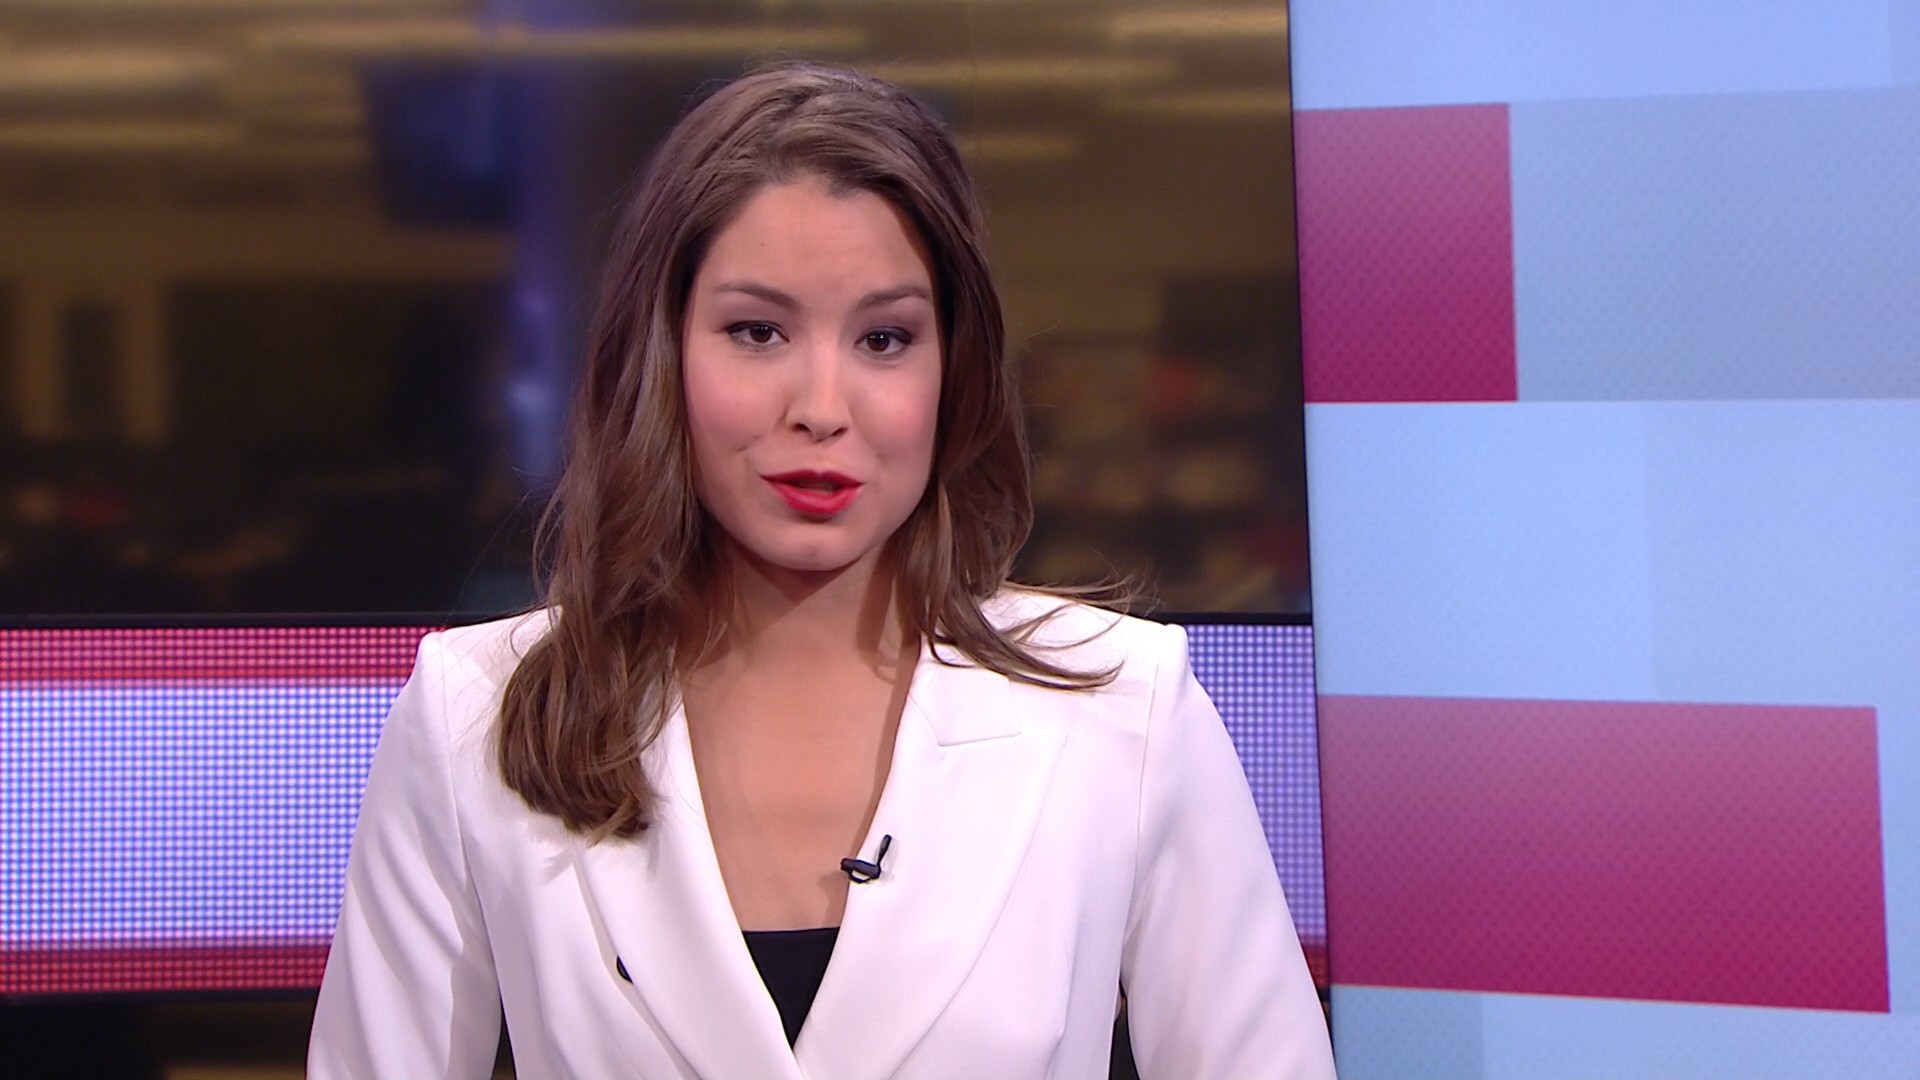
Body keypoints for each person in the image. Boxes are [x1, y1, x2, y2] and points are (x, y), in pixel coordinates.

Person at [308, 61, 1335, 1080]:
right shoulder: (475, 717)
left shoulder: (1125, 708)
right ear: (661, 354)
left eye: (884, 339)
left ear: (953, 369)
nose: (822, 408)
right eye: (757, 332)